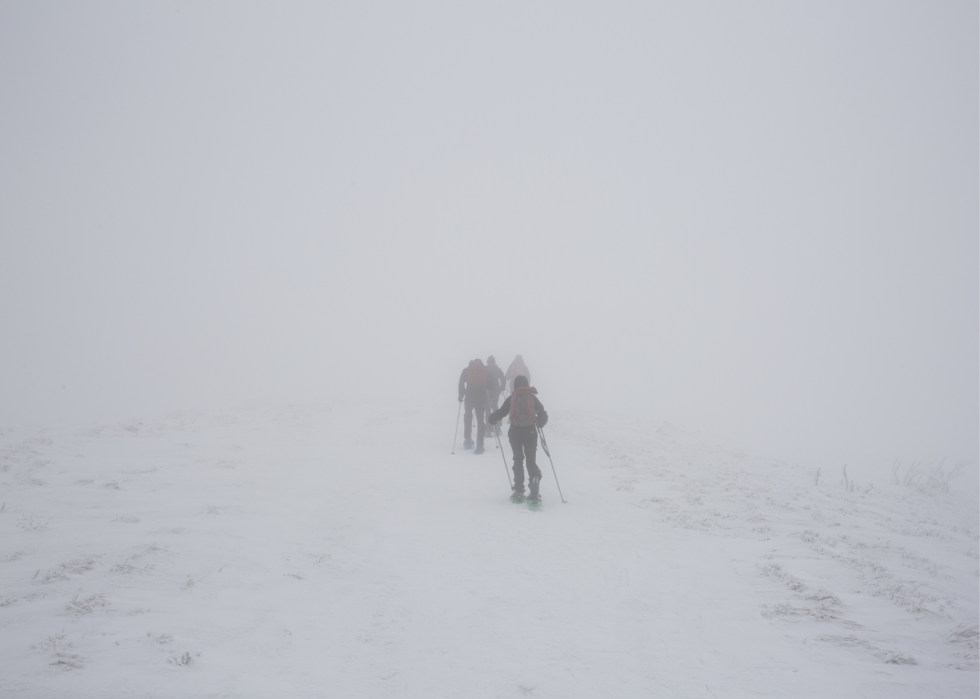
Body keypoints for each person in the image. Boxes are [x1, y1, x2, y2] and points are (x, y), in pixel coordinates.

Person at [488, 375, 548, 502]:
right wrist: (540, 423)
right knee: (531, 461)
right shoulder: (532, 398)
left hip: (515, 432)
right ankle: (534, 480)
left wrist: (492, 418)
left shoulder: (512, 398)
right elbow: (543, 413)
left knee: (518, 460)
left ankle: (519, 491)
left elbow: (502, 412)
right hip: (530, 432)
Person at [458, 359, 490, 454]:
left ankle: (467, 439)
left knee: (468, 415)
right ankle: (480, 444)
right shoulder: (484, 370)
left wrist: (461, 395)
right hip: (481, 396)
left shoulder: (467, 369)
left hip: (469, 396)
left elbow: (461, 382)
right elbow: (491, 384)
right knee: (480, 419)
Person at [485, 356, 506, 434]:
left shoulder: (485, 368)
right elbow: (503, 379)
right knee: (495, 406)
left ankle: (488, 429)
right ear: (494, 361)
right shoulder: (497, 368)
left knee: (488, 408)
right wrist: (502, 387)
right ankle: (497, 427)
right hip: (496, 390)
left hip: (487, 390)